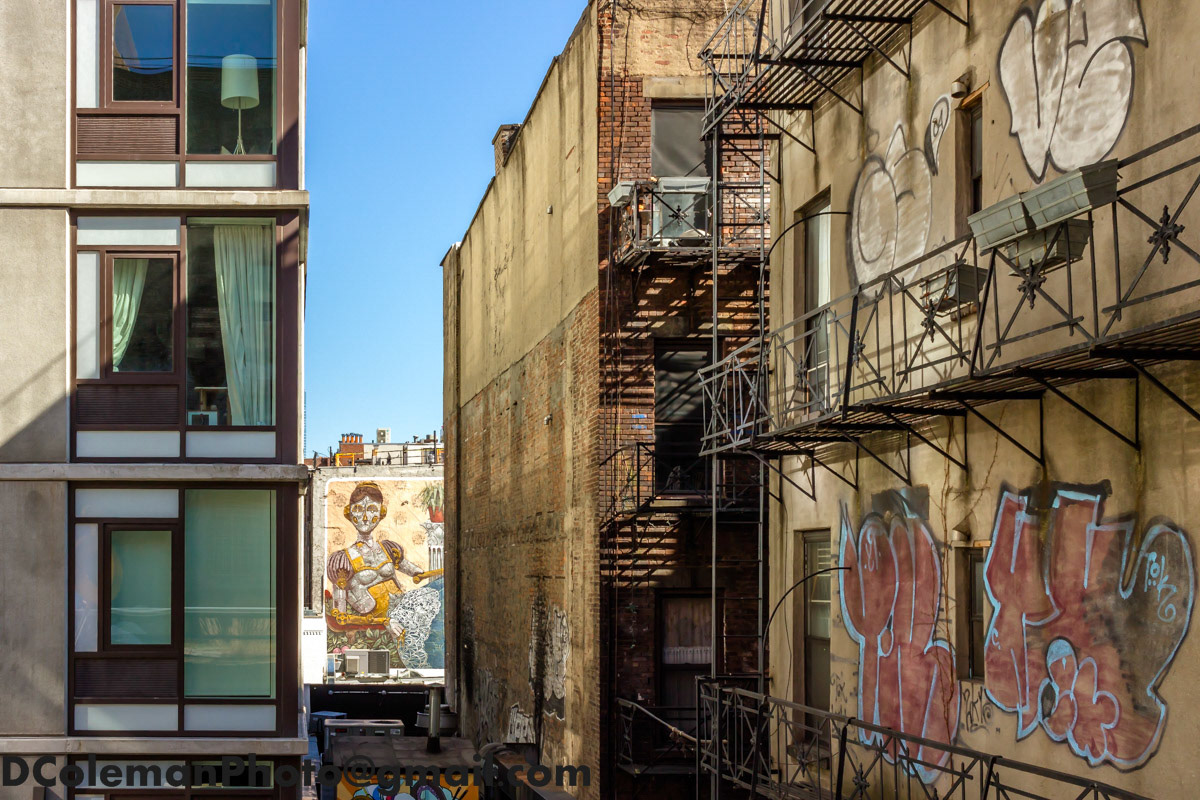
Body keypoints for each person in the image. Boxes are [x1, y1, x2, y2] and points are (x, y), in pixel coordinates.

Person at [327, 482, 422, 623]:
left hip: (403, 614)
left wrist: (420, 574)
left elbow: (414, 571)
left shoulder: (389, 549)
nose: (365, 517)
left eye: (371, 509)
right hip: (373, 625)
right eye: (358, 509)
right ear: (349, 512)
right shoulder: (343, 560)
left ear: (381, 513)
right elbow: (341, 613)